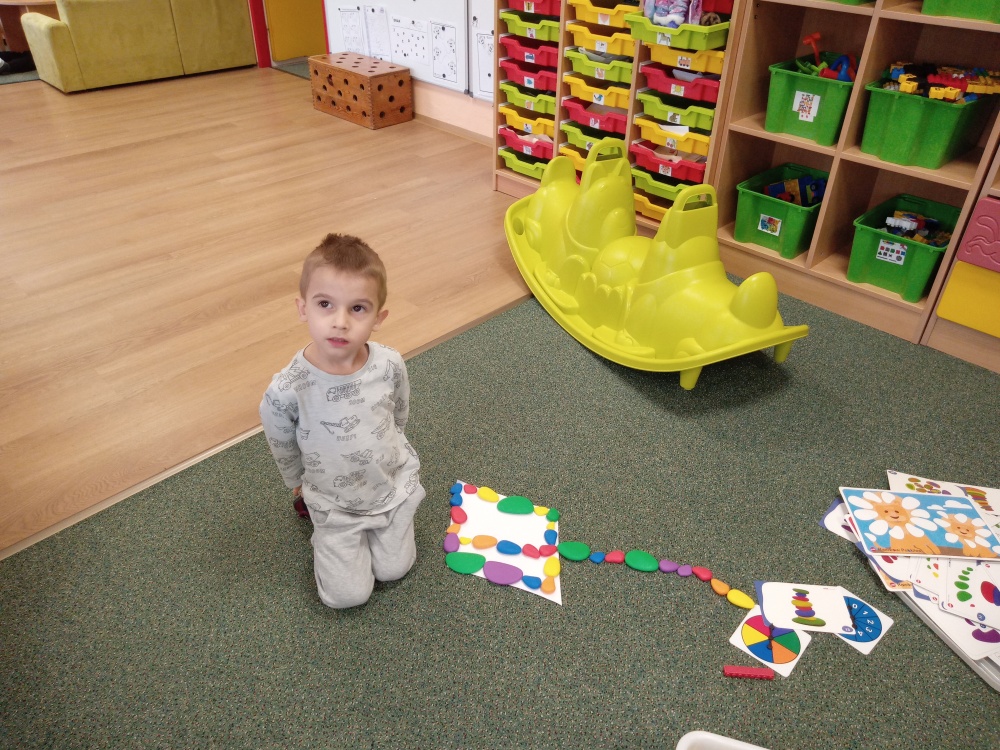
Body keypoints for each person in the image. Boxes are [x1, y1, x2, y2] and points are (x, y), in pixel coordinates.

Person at [259, 233, 424, 609]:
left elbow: (399, 409)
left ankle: (384, 526)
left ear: (379, 318)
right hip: (334, 503)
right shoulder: (287, 389)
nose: (340, 322)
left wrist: (394, 441)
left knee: (395, 569)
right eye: (325, 304)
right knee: (347, 596)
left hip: (390, 487)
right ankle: (327, 539)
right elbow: (280, 439)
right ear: (303, 308)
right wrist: (295, 482)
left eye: (358, 308)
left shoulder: (389, 363)